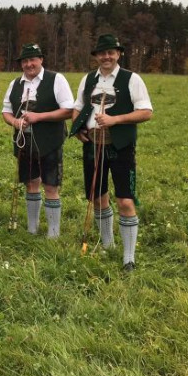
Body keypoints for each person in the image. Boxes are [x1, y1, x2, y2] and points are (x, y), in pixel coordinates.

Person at [70, 34, 153, 271]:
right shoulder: (88, 79)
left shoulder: (131, 79)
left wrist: (115, 120)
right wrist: (77, 128)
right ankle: (107, 244)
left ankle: (129, 257)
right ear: (96, 56)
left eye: (111, 52)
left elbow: (146, 112)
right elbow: (77, 107)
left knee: (125, 201)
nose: (106, 57)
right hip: (92, 145)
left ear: (118, 54)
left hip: (121, 146)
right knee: (97, 197)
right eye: (102, 53)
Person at [1, 44, 74, 237]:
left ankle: (53, 233)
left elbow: (68, 110)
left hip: (50, 141)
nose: (29, 64)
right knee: (30, 183)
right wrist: (15, 122)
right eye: (25, 61)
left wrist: (39, 117)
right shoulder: (15, 84)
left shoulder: (56, 79)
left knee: (50, 186)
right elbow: (6, 112)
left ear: (41, 59)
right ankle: (32, 228)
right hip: (24, 142)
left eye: (32, 59)